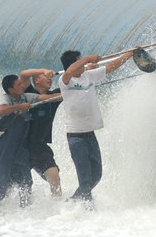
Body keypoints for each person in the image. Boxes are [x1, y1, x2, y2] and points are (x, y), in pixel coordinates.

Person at [58, 49, 135, 206]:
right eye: (80, 61)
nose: (84, 64)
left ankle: (72, 202)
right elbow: (71, 71)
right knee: (85, 179)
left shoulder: (89, 76)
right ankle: (87, 212)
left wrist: (130, 54)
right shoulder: (65, 81)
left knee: (97, 175)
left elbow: (111, 67)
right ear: (73, 64)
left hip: (90, 136)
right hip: (76, 137)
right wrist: (87, 59)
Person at [0, 68, 57, 209]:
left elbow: (44, 98)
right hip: (4, 150)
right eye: (18, 85)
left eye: (21, 84)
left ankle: (24, 214)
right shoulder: (5, 98)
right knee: (0, 186)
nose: (21, 86)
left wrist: (66, 94)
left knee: (26, 183)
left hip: (21, 149)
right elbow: (2, 110)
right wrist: (19, 107)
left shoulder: (25, 96)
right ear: (11, 90)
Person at [25, 69, 63, 198]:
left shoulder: (55, 96)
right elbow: (23, 75)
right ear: (36, 80)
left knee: (55, 177)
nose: (49, 78)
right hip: (21, 147)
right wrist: (43, 70)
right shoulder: (28, 92)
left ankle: (59, 210)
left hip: (40, 148)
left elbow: (70, 84)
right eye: (44, 76)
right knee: (12, 185)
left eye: (50, 76)